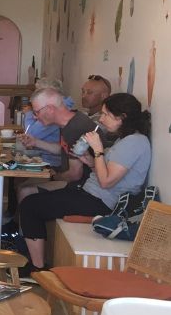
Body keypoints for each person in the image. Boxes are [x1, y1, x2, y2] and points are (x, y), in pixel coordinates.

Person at [19, 93, 151, 271]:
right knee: (33, 201)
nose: (101, 120)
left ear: (122, 117)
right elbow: (105, 173)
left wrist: (97, 150)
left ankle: (37, 267)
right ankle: (36, 259)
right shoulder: (125, 140)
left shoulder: (135, 143)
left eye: (106, 115)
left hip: (103, 203)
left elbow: (106, 182)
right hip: (90, 194)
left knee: (30, 205)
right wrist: (90, 160)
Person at [19, 87, 96, 184]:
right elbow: (63, 150)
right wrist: (35, 142)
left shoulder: (75, 128)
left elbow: (75, 174)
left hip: (84, 185)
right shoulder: (68, 121)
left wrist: (52, 177)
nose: (35, 117)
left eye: (36, 112)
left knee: (25, 190)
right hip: (70, 175)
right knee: (23, 183)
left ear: (50, 109)